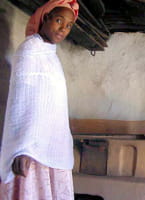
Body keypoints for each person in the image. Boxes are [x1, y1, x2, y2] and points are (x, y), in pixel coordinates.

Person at [0, 0, 79, 199]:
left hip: (51, 144)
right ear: (45, 18)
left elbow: (52, 104)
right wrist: (23, 148)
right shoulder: (30, 51)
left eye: (69, 25)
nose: (63, 28)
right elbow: (23, 102)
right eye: (59, 20)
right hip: (31, 150)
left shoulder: (50, 55)